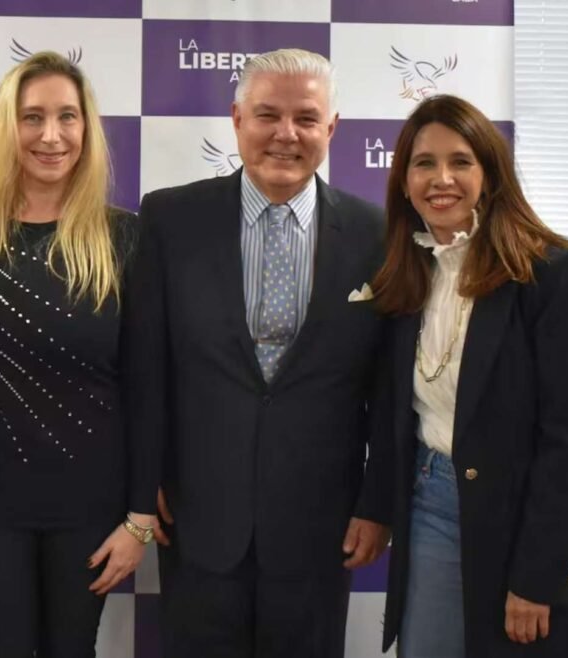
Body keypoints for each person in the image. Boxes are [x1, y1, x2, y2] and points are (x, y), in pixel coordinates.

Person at [123, 48, 393, 657]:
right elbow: (147, 371)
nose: (285, 134)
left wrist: (379, 503)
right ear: (236, 118)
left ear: (332, 128)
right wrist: (144, 490)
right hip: (197, 518)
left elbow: (392, 386)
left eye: (305, 118)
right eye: (268, 115)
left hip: (322, 524)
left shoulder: (378, 234)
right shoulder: (170, 218)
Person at [370, 93, 568, 657]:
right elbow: (396, 415)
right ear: (404, 181)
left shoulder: (554, 279)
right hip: (432, 503)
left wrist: (538, 575)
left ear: (491, 175)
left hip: (529, 512)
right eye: (423, 163)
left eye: (461, 162)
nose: (442, 179)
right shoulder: (408, 275)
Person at [0, 51, 154, 658]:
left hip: (89, 508)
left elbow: (146, 388)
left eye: (67, 116)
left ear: (88, 129)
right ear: (8, 128)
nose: (51, 135)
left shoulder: (124, 238)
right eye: (32, 117)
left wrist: (140, 518)